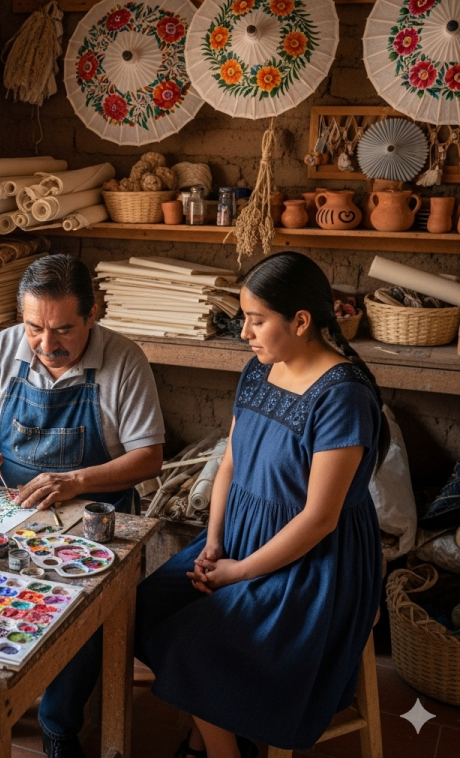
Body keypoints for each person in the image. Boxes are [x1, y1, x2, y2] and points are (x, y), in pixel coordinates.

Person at [135, 251, 387, 758]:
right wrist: (212, 543)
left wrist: (237, 572)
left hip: (314, 564)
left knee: (195, 644)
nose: (245, 331)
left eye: (257, 319)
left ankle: (218, 750)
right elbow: (230, 461)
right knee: (143, 609)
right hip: (240, 541)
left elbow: (319, 519)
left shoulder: (342, 397)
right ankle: (212, 736)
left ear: (300, 321)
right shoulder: (258, 370)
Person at [0, 253, 164, 757]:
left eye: (64, 330)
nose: (48, 345)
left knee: (82, 600)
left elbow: (149, 457)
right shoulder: (3, 348)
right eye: (34, 329)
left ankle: (57, 722)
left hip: (91, 512)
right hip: (6, 504)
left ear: (93, 314)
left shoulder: (124, 360)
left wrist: (75, 481)